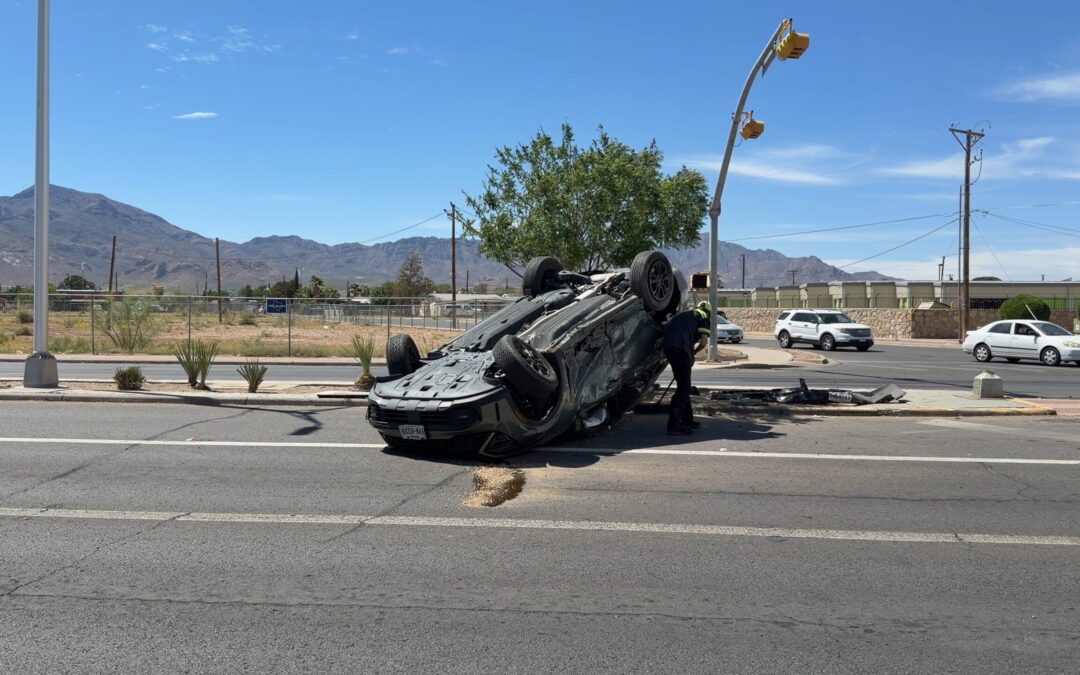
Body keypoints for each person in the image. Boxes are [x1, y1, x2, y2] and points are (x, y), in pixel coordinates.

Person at [661, 301, 711, 435]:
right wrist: (693, 353)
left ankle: (687, 420)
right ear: (708, 312)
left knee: (684, 386)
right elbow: (704, 342)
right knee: (683, 389)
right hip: (680, 350)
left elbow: (666, 326)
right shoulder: (703, 316)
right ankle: (674, 426)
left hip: (669, 348)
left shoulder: (685, 315)